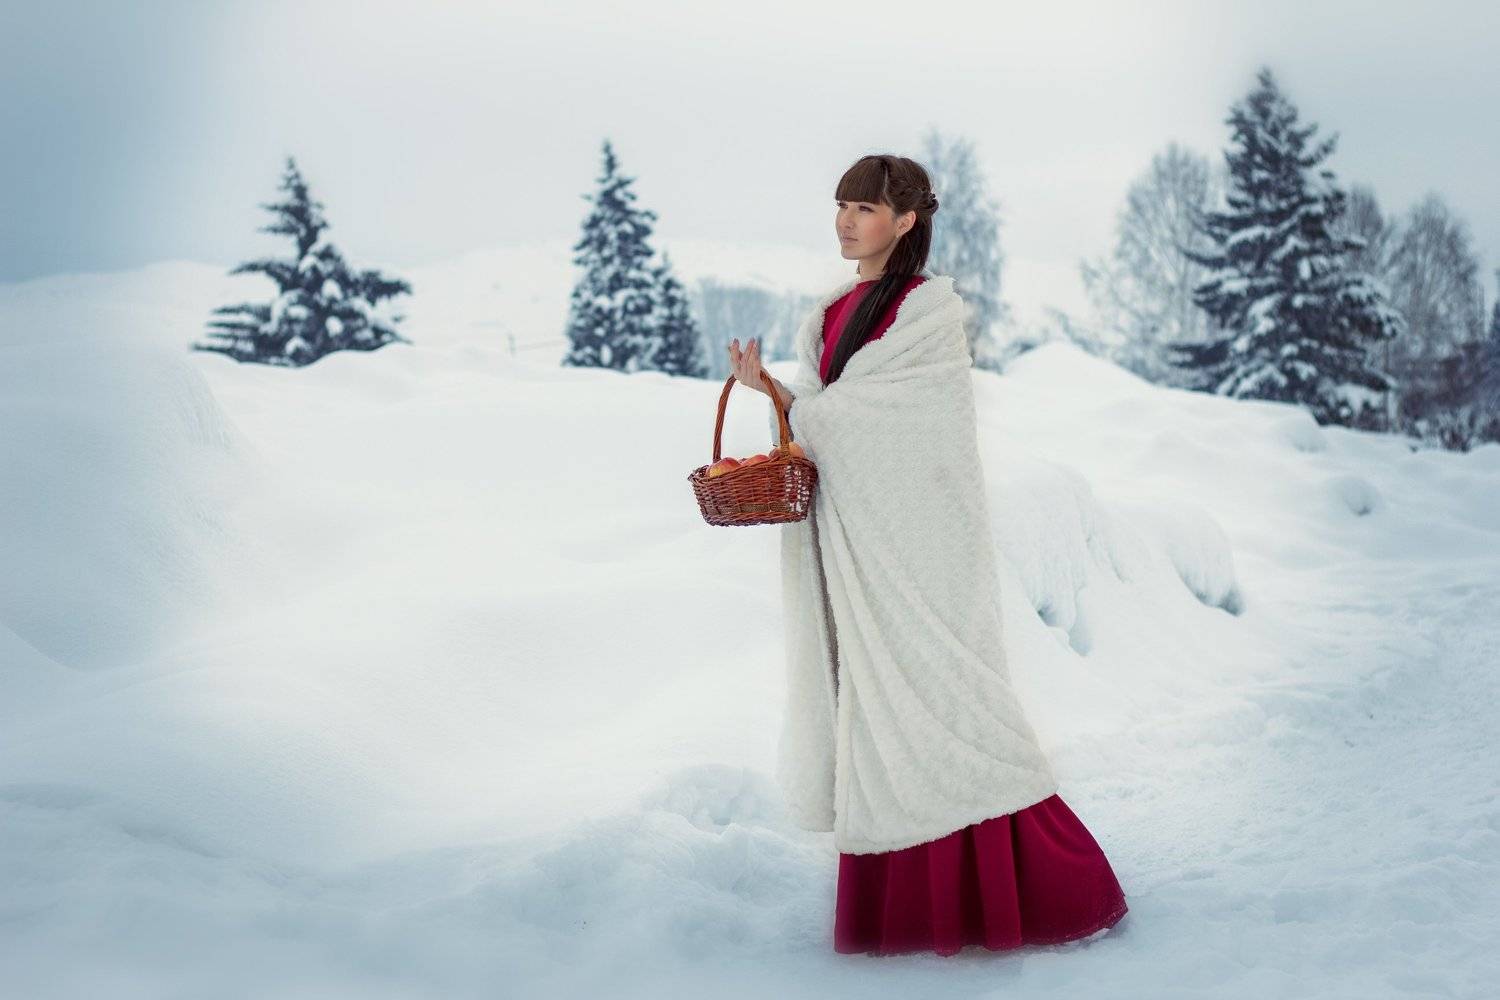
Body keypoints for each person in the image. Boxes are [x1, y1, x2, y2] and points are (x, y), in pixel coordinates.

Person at [728, 154, 1128, 957]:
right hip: (858, 544)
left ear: (906, 220)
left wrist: (810, 412)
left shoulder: (928, 312)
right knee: (876, 706)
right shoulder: (830, 314)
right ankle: (905, 904)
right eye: (840, 206)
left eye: (865, 208)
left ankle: (1049, 888)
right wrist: (769, 389)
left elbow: (902, 422)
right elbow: (830, 416)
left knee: (951, 704)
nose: (847, 222)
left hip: (925, 544)